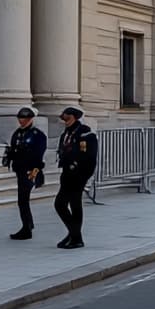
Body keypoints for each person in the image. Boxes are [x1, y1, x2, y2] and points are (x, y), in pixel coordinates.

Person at [54, 106, 98, 249]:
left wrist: (84, 175)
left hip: (78, 174)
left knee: (73, 203)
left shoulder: (84, 133)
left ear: (75, 118)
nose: (65, 121)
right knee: (60, 204)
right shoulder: (66, 134)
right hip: (67, 173)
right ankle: (74, 234)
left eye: (68, 118)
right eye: (64, 119)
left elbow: (89, 157)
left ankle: (76, 237)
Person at [4, 105, 47, 240]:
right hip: (20, 169)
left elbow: (39, 154)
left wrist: (36, 171)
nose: (21, 120)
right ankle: (28, 225)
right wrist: (9, 155)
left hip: (30, 171)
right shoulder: (17, 133)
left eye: (24, 118)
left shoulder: (37, 135)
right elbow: (14, 149)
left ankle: (27, 229)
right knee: (22, 200)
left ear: (31, 119)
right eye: (20, 118)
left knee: (23, 200)